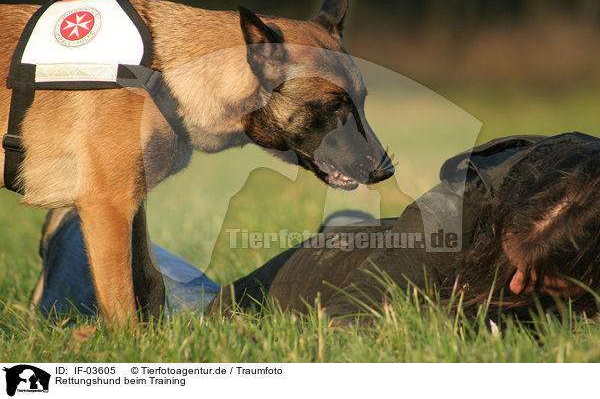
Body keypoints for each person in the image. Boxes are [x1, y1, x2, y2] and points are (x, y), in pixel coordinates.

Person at [31, 132, 600, 324]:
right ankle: (77, 234)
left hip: (369, 247)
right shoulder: (453, 214)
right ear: (502, 220)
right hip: (316, 283)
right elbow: (355, 322)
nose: (520, 287)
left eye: (547, 277)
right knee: (179, 311)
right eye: (517, 266)